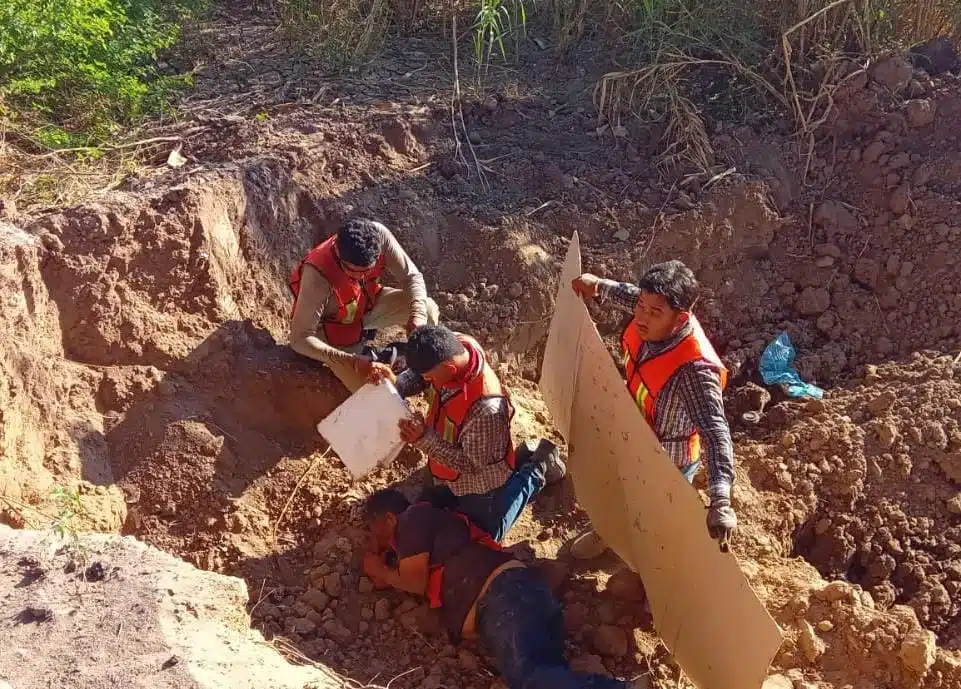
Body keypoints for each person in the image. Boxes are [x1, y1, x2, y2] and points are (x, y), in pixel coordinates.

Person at [360, 489, 650, 689]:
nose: (382, 544)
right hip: (516, 600)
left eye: (376, 533)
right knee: (543, 676)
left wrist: (379, 568)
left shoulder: (412, 519)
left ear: (389, 518)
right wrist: (387, 573)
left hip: (504, 597)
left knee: (530, 677)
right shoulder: (426, 535)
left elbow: (413, 581)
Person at [568, 260, 737, 558]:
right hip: (631, 434)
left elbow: (716, 433)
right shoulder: (650, 310)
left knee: (652, 519)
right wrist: (597, 286)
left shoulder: (694, 372)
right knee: (615, 491)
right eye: (641, 308)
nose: (642, 318)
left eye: (654, 312)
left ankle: (648, 570)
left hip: (666, 462)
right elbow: (632, 295)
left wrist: (721, 499)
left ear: (680, 318)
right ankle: (605, 532)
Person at [368, 324, 566, 542]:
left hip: (480, 482)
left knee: (487, 534)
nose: (427, 382)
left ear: (450, 370)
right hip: (446, 464)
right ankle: (522, 456)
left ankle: (539, 463)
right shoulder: (456, 346)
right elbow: (421, 375)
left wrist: (424, 439)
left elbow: (471, 464)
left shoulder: (486, 409)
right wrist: (398, 383)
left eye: (430, 378)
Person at [289, 217, 440, 392]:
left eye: (367, 271)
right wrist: (350, 361)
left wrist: (418, 318)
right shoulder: (317, 274)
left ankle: (421, 371)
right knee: (370, 388)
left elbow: (411, 277)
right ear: (338, 253)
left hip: (366, 305)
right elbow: (300, 338)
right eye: (354, 273)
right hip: (333, 330)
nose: (361, 277)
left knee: (427, 310)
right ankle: (377, 357)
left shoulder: (379, 236)